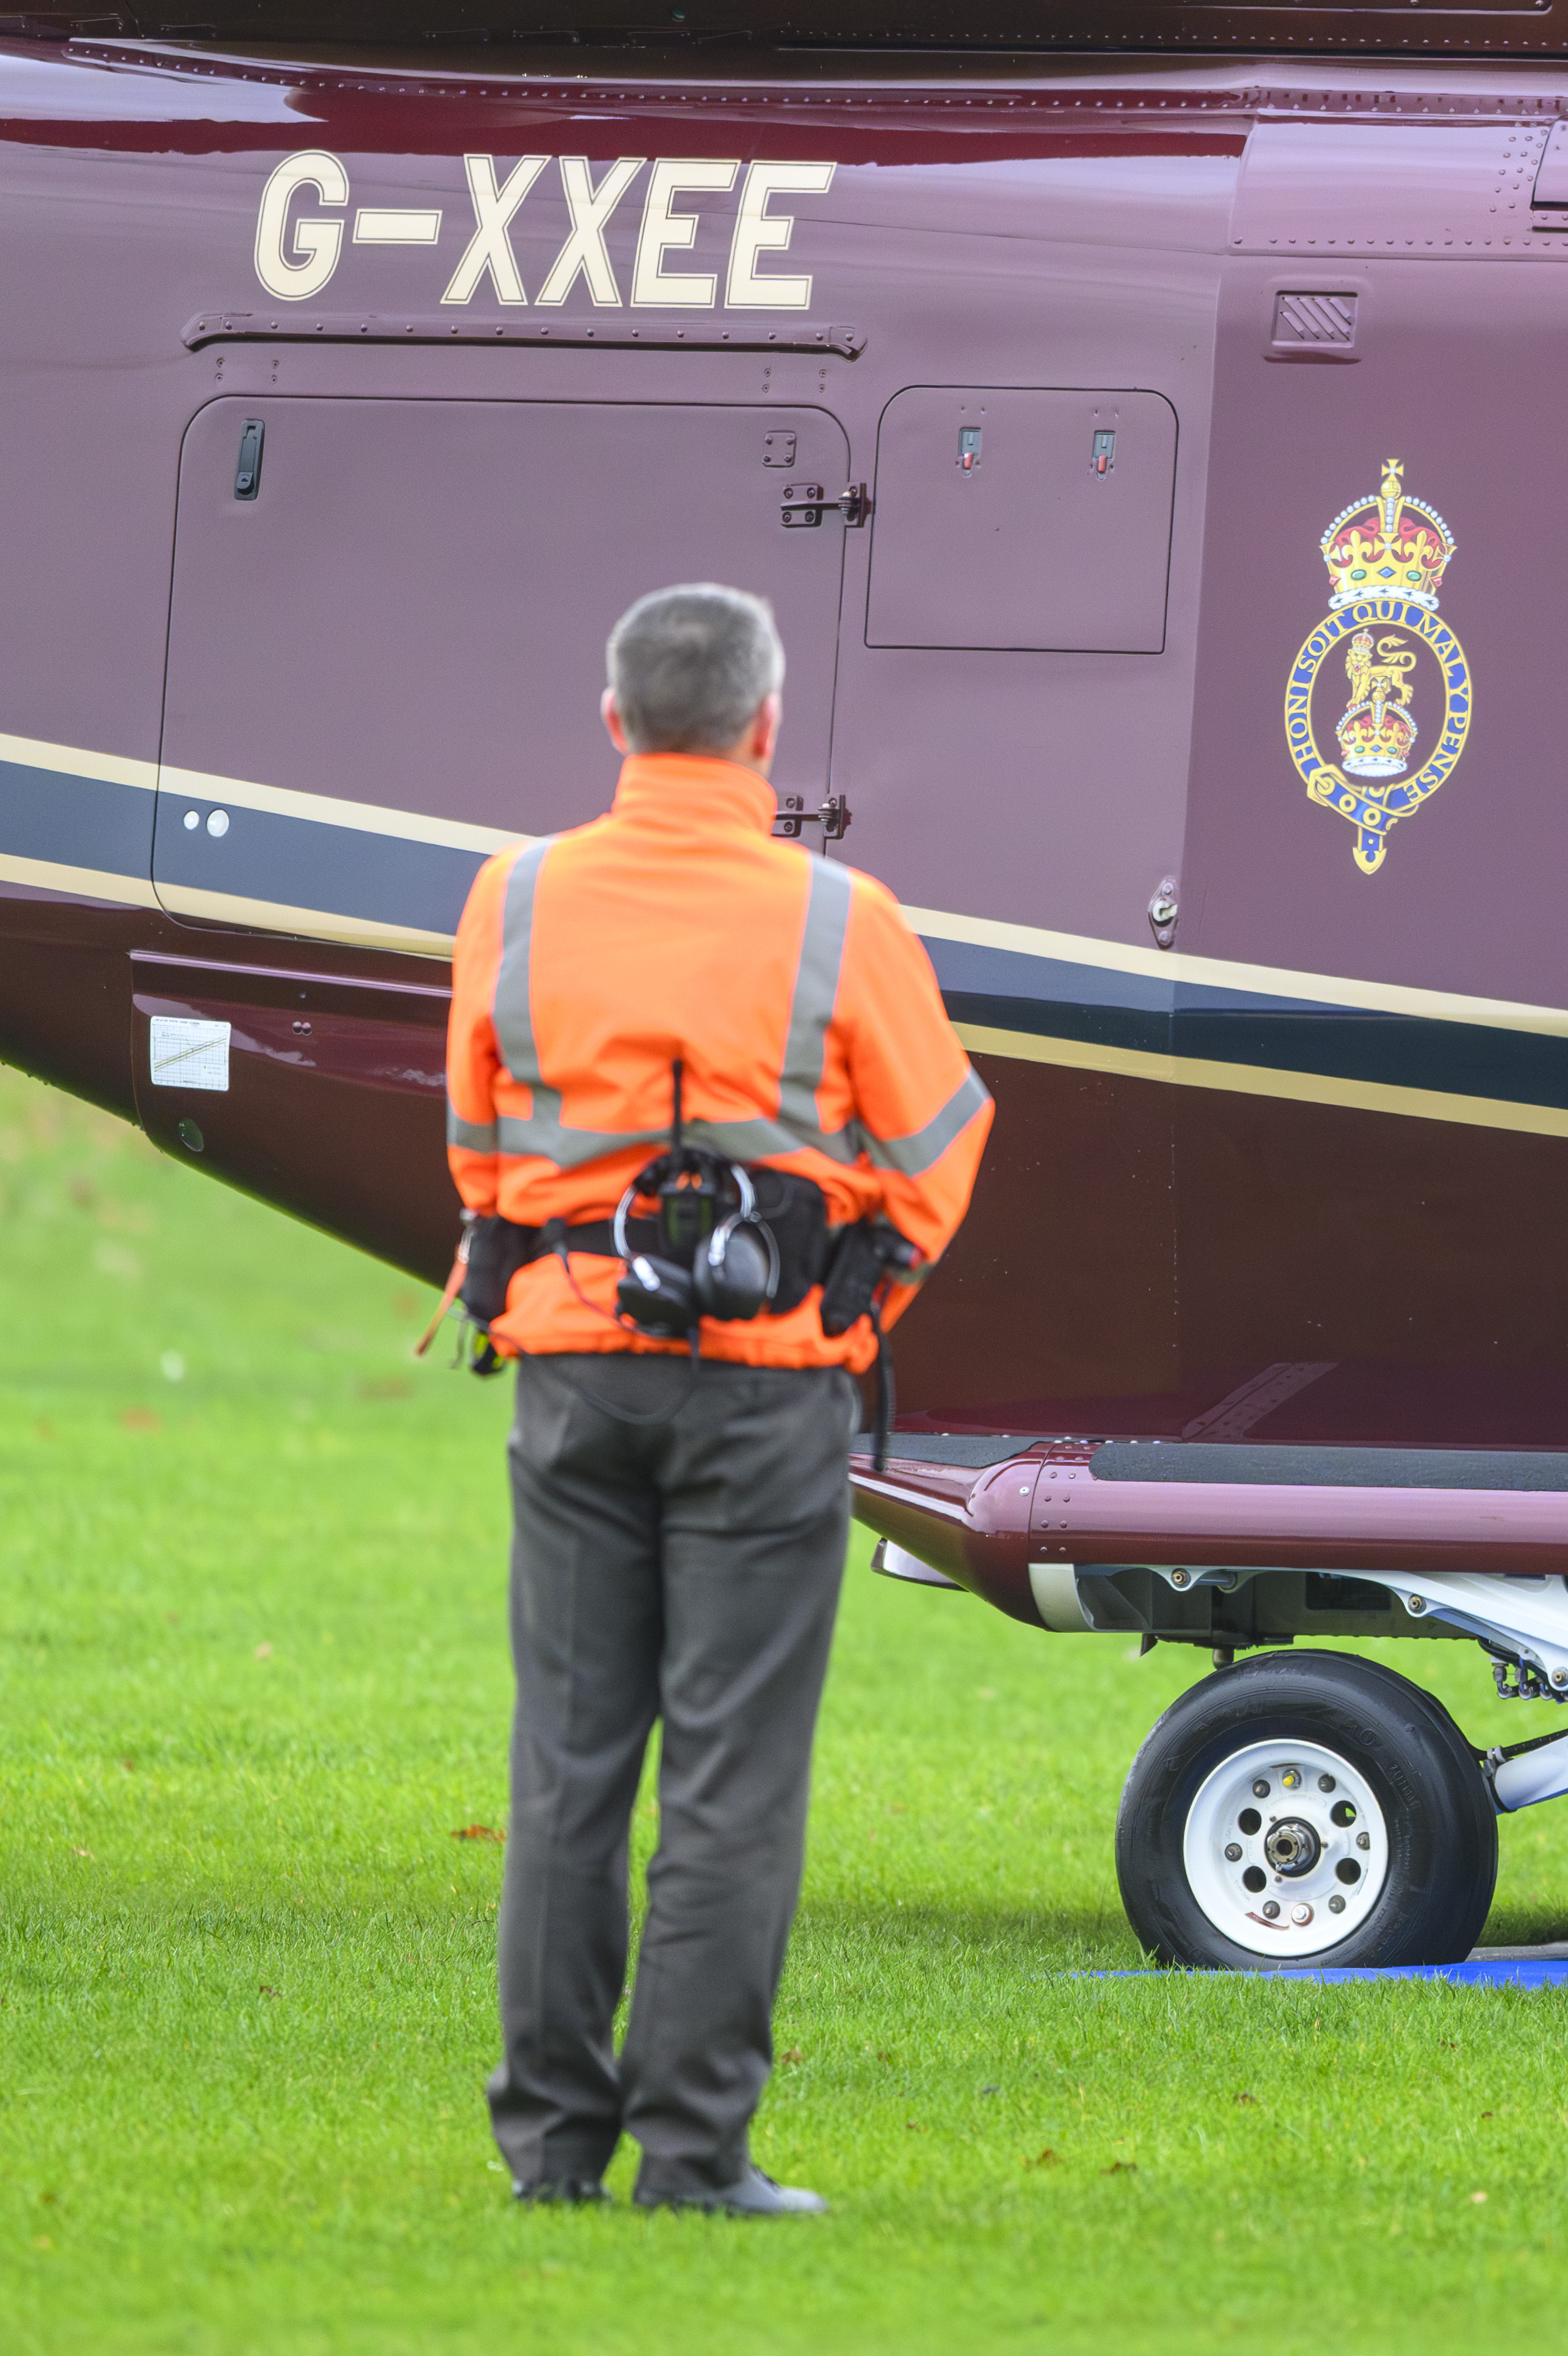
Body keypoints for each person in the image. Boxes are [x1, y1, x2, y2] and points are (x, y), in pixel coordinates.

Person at [444, 583, 992, 2215]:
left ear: (614, 722)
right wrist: (851, 1304)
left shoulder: (514, 894)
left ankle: (551, 2153)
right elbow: (943, 1143)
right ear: (765, 731)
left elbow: (479, 1133)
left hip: (571, 1372)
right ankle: (693, 2157)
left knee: (570, 1766)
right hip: (766, 1394)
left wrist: (544, 1275)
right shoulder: (846, 918)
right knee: (732, 1780)